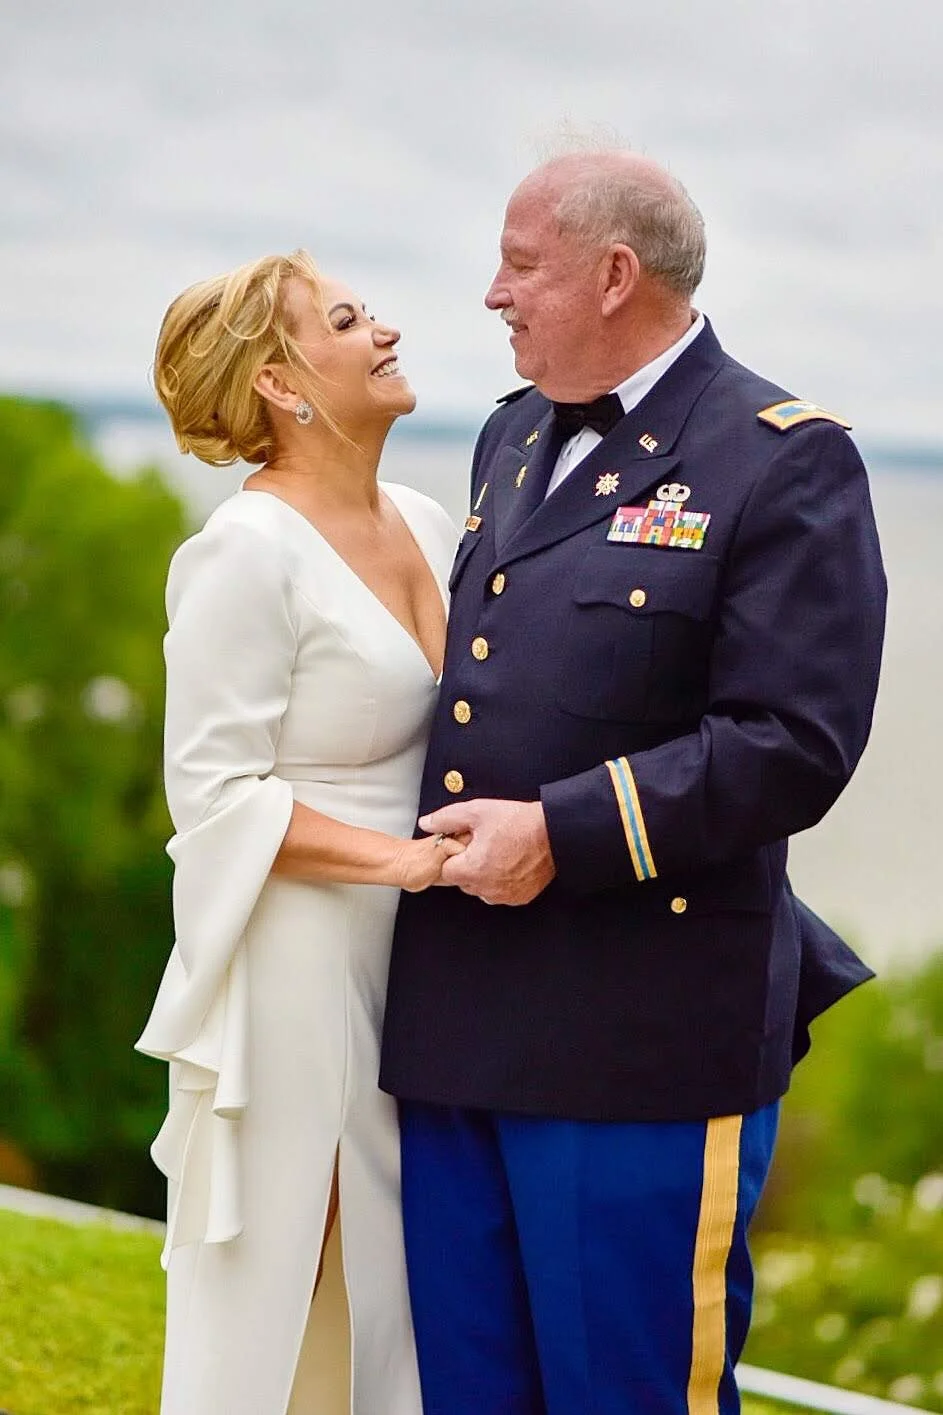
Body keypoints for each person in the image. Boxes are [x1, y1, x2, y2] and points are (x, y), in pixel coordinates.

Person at [379, 151, 887, 1415]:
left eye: (520, 263)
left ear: (614, 275)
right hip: (458, 1022)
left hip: (639, 1042)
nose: (492, 294)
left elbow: (791, 740)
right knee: (470, 1393)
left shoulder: (783, 461)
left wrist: (559, 830)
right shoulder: (506, 434)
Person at [136, 249, 460, 1415]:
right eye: (347, 317)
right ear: (282, 382)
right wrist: (405, 860)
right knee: (287, 1265)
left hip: (407, 956)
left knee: (387, 1280)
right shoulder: (244, 551)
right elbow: (214, 795)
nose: (384, 328)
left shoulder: (426, 522)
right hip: (295, 961)